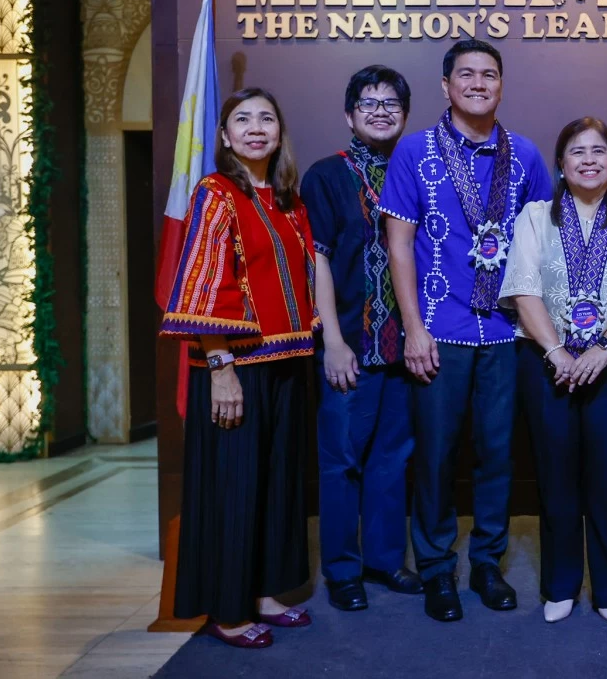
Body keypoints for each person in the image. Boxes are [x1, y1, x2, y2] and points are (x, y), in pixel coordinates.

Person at [381, 39, 552, 623]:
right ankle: (436, 569)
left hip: (507, 334)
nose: (478, 83)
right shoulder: (415, 152)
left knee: (498, 455)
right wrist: (412, 327)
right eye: (467, 74)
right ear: (447, 85)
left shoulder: (525, 156)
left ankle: (486, 563)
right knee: (434, 457)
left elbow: (543, 247)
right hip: (440, 329)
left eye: (489, 74)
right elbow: (399, 245)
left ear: (501, 85)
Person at [160, 88, 316, 649]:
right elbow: (204, 284)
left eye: (266, 118)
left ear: (279, 132)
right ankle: (228, 608)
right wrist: (220, 366)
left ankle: (268, 592)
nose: (256, 128)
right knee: (235, 487)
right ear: (224, 136)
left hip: (287, 362)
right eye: (242, 119)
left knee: (277, 485)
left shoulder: (289, 200)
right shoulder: (216, 193)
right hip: (236, 364)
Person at [499, 117, 607, 624]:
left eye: (599, 151)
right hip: (545, 361)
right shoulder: (535, 216)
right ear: (561, 164)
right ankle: (560, 585)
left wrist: (604, 350)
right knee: (554, 479)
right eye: (577, 151)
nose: (589, 159)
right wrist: (557, 353)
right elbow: (524, 288)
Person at [300, 65, 422, 613]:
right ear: (349, 114)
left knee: (392, 459)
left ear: (405, 113)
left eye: (390, 103)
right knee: (340, 460)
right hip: (350, 343)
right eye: (368, 103)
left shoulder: (419, 170)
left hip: (405, 349)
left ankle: (384, 560)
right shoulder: (326, 176)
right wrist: (332, 341)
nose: (380, 111)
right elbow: (317, 258)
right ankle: (342, 570)